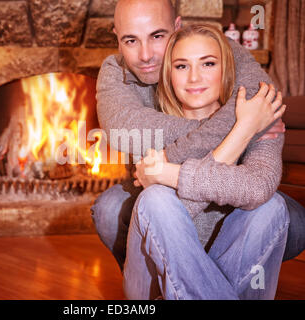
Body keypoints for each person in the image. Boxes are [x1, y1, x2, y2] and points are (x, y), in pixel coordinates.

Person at [91, 0, 305, 276]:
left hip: (226, 193)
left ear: (177, 27)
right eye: (131, 40)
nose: (145, 55)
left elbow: (262, 94)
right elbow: (128, 134)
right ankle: (158, 283)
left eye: (157, 36)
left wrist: (167, 165)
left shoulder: (215, 47)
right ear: (117, 39)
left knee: (283, 215)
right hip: (159, 195)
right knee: (115, 208)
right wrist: (243, 126)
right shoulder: (114, 72)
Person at [123, 23, 287, 300]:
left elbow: (259, 186)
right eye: (182, 66)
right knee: (156, 201)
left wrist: (171, 174)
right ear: (168, 74)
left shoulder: (260, 116)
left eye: (208, 63)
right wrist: (241, 133)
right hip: (152, 284)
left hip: (228, 270)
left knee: (271, 206)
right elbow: (168, 215)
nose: (194, 78)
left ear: (227, 70)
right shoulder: (149, 125)